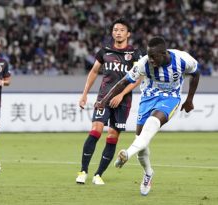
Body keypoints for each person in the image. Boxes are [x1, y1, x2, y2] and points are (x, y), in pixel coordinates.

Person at [95, 36, 200, 195]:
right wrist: (105, 100)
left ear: (164, 53)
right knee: (141, 139)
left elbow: (196, 74)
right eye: (149, 56)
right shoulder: (144, 63)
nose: (150, 60)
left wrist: (189, 99)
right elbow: (123, 82)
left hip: (170, 98)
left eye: (154, 56)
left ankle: (127, 154)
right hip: (147, 99)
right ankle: (148, 173)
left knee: (152, 122)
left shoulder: (183, 60)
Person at [76, 18, 144, 185]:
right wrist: (84, 94)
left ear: (128, 34)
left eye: (122, 30)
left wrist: (121, 95)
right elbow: (93, 72)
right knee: (96, 130)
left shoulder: (135, 54)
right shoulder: (104, 51)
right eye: (115, 30)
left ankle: (98, 174)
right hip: (104, 98)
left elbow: (138, 79)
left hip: (123, 101)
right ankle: (83, 171)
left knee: (113, 136)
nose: (118, 32)